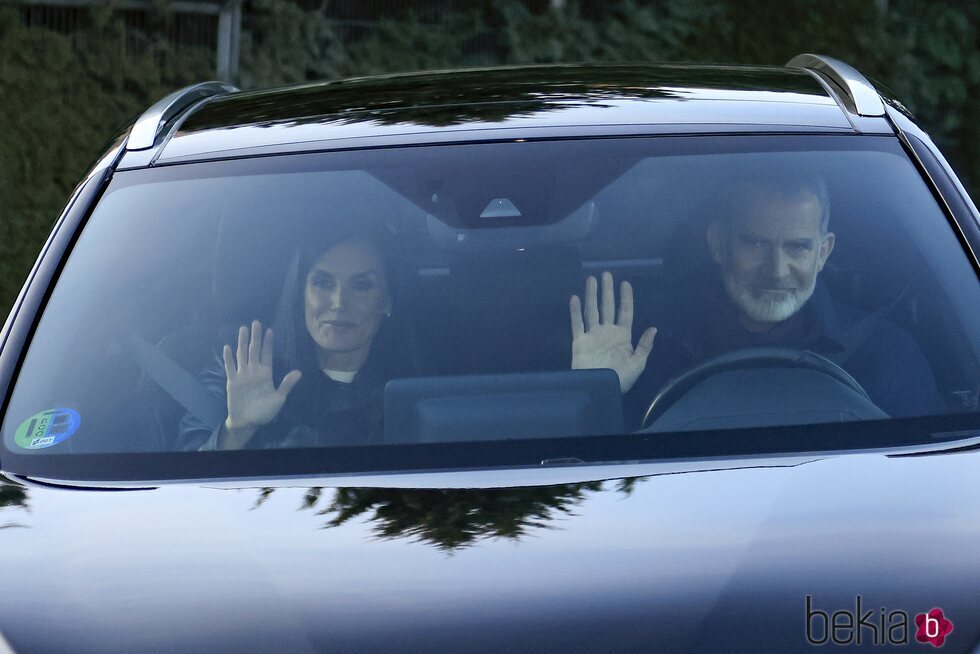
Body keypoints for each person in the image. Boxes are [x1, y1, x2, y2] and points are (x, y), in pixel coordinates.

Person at [570, 175, 944, 427]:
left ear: (823, 252)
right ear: (718, 245)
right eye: (755, 243)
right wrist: (596, 393)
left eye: (797, 247)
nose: (777, 270)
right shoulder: (649, 353)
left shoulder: (885, 354)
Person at [178, 220, 410, 450]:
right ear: (301, 294)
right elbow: (183, 475)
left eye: (361, 285)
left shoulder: (414, 384)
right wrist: (237, 429)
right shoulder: (240, 366)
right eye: (323, 283)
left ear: (387, 301)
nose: (339, 303)